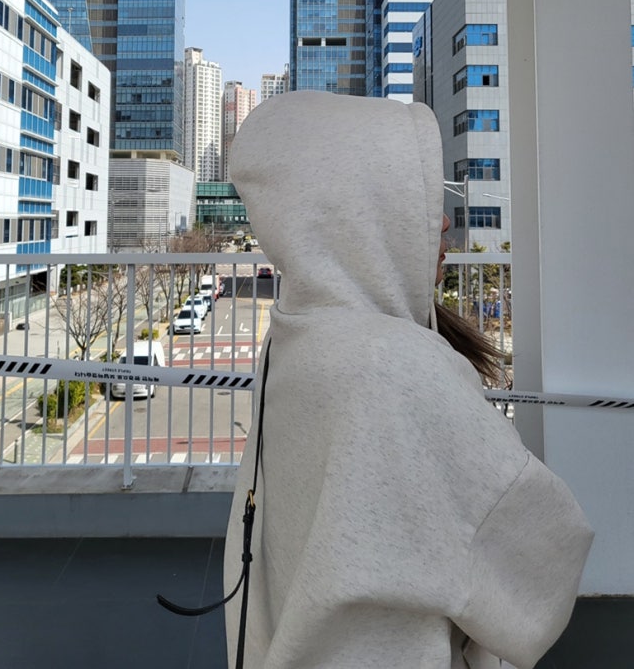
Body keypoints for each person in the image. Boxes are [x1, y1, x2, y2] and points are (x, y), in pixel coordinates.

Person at [223, 91, 592, 669]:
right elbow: (542, 567)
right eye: (414, 198)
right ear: (360, 211)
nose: (442, 221)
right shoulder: (392, 367)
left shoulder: (296, 333)